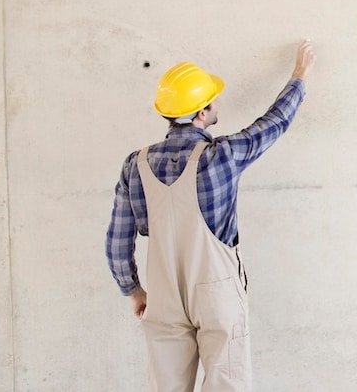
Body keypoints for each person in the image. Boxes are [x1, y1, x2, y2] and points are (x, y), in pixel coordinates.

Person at [106, 40, 316, 391]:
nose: (217, 102)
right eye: (212, 99)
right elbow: (273, 123)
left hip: (163, 296)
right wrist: (299, 75)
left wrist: (134, 290)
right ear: (201, 112)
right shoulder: (222, 156)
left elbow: (116, 242)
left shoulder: (135, 165)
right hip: (216, 294)